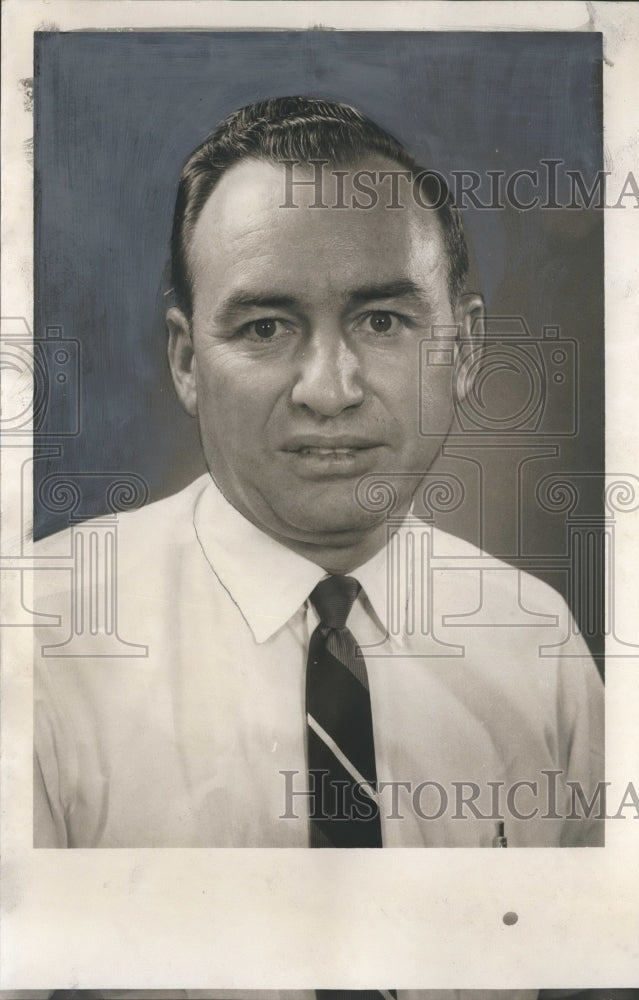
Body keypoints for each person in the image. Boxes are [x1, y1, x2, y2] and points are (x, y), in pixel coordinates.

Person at [33, 97, 603, 849]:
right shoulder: (39, 646)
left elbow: (601, 960)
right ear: (185, 361)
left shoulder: (536, 638)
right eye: (264, 328)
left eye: (380, 322)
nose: (329, 391)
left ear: (463, 350)